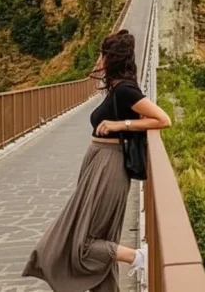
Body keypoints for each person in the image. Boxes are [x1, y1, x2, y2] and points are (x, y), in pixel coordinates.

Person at [23, 29, 172, 291]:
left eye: (102, 54)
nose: (98, 59)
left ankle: (139, 257)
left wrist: (118, 124)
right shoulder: (115, 88)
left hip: (109, 166)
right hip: (99, 163)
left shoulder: (125, 90)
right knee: (96, 237)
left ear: (110, 58)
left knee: (81, 243)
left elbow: (163, 119)